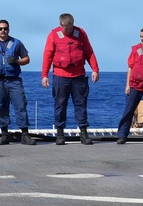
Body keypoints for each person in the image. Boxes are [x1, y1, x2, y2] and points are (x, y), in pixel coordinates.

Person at [41, 13, 100, 145]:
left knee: (81, 104)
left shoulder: (81, 33)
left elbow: (89, 52)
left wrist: (95, 69)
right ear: (60, 25)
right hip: (60, 76)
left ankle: (83, 133)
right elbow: (47, 56)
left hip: (78, 76)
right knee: (60, 105)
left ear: (73, 24)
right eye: (65, 28)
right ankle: (60, 133)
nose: (67, 30)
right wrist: (44, 75)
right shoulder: (53, 35)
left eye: (69, 27)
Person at [0, 19, 35, 145]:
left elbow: (27, 59)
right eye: (0, 28)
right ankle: (4, 134)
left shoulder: (16, 43)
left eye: (5, 28)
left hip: (13, 80)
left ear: (8, 29)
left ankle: (25, 134)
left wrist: (17, 62)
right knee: (0, 107)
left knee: (20, 105)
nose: (3, 31)